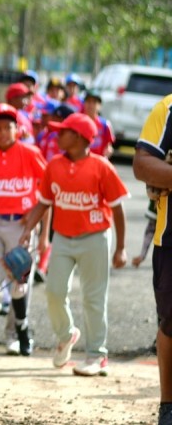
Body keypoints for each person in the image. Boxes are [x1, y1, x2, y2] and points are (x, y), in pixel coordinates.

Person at [19, 113, 127, 376]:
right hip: (63, 237)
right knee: (54, 291)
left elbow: (117, 208)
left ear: (78, 137)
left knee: (93, 298)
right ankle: (66, 335)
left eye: (63, 131)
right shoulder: (54, 165)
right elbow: (44, 202)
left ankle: (96, 355)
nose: (57, 136)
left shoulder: (101, 167)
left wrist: (121, 248)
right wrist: (28, 229)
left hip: (95, 237)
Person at [0, 104, 47, 360]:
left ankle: (22, 329)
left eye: (8, 127)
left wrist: (39, 225)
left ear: (17, 129)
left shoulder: (30, 153)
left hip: (20, 225)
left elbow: (48, 190)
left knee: (18, 281)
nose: (3, 132)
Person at [133, 96, 172, 425]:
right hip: (171, 238)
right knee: (171, 324)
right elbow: (143, 164)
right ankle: (168, 404)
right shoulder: (168, 108)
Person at [82, 91, 115, 158]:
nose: (91, 105)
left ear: (100, 106)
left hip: (98, 160)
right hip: (80, 160)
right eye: (88, 101)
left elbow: (108, 146)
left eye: (94, 102)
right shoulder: (78, 122)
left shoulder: (105, 124)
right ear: (84, 103)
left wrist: (108, 151)